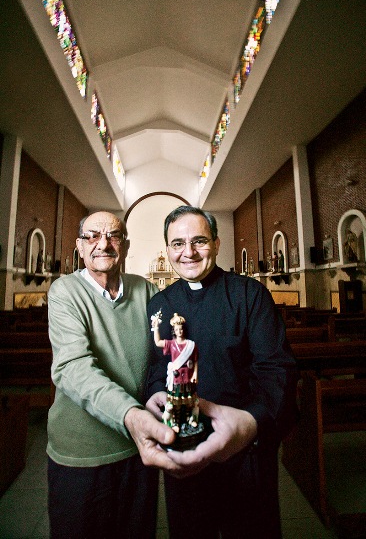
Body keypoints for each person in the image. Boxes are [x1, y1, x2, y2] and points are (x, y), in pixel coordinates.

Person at [146, 205, 299, 539]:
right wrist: (156, 392)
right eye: (177, 244)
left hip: (245, 450)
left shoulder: (249, 295)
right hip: (184, 448)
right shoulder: (159, 304)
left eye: (199, 241)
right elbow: (157, 368)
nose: (188, 252)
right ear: (167, 249)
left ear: (216, 243)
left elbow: (277, 370)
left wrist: (251, 422)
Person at [47, 210, 178, 539]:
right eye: (92, 236)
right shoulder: (65, 292)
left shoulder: (146, 291)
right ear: (79, 246)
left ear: (126, 245)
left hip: (138, 449)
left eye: (113, 236)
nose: (102, 244)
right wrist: (131, 415)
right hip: (82, 454)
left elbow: (165, 354)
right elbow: (72, 367)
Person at [151, 311, 202, 446]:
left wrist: (195, 374)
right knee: (175, 403)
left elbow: (195, 361)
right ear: (174, 330)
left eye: (181, 329)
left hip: (188, 378)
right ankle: (175, 422)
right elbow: (157, 342)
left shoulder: (191, 345)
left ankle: (190, 420)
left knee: (189, 402)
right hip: (176, 380)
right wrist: (156, 327)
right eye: (177, 329)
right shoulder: (171, 344)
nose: (179, 331)